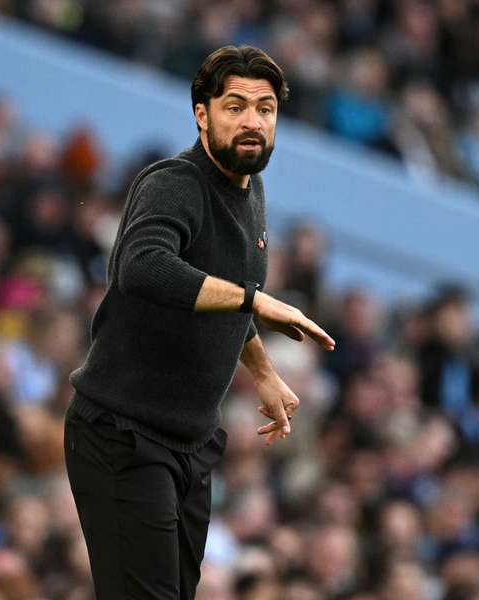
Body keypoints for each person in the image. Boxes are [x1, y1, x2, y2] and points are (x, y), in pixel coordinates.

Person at [64, 45, 335, 600]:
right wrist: (256, 302)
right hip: (123, 433)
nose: (253, 121)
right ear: (201, 113)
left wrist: (260, 369)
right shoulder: (176, 183)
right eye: (235, 106)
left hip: (191, 443)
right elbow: (144, 267)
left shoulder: (250, 189)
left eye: (265, 109)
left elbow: (222, 291)